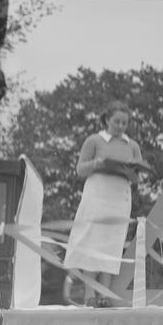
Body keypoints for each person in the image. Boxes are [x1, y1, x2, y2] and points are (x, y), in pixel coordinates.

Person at [63, 100, 143, 308]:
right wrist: (99, 163)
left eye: (124, 123)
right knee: (94, 243)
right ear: (107, 119)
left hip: (119, 198)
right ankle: (90, 294)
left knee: (111, 245)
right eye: (116, 121)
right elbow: (80, 169)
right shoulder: (94, 140)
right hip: (98, 195)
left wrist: (129, 172)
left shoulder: (132, 145)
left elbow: (138, 178)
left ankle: (104, 295)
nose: (120, 126)